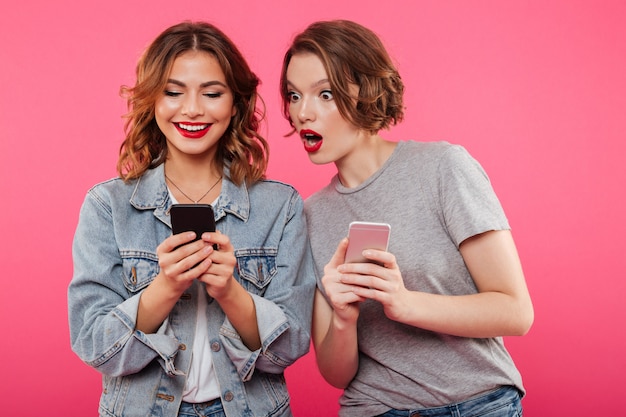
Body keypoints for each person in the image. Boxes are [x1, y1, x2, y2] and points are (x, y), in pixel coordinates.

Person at [279, 20, 534, 417]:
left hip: (477, 405)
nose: (303, 113)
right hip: (374, 409)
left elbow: (515, 312)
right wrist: (344, 320)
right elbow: (336, 374)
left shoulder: (443, 169)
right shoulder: (309, 215)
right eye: (294, 95)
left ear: (366, 93)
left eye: (324, 94)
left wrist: (404, 304)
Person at [68, 21, 315, 417]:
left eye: (212, 93)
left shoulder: (280, 207)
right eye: (173, 92)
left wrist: (230, 292)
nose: (193, 109)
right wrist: (165, 288)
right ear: (152, 101)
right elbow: (95, 346)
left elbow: (288, 348)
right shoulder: (108, 205)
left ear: (235, 102)